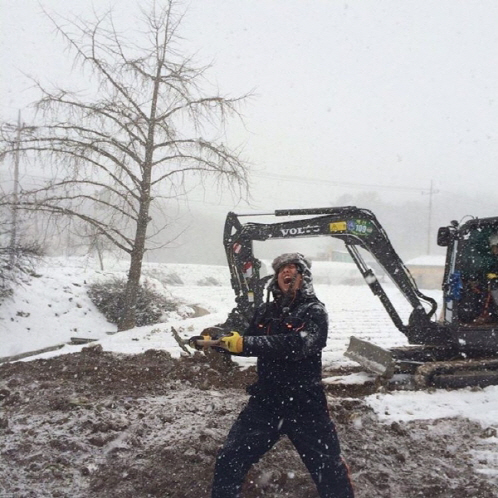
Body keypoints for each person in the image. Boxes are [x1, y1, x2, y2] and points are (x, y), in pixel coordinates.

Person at [197, 253, 354, 498]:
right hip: (266, 402)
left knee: (329, 472)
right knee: (230, 458)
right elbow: (241, 334)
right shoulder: (265, 311)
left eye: (293, 268)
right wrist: (215, 340)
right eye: (282, 269)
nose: (287, 273)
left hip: (306, 404)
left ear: (304, 277)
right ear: (276, 278)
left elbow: (297, 345)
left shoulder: (314, 311)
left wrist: (244, 344)